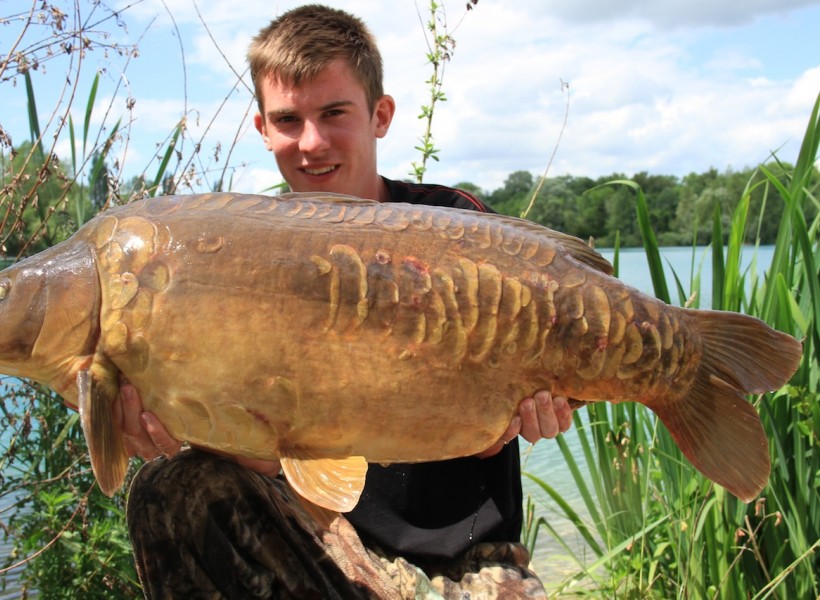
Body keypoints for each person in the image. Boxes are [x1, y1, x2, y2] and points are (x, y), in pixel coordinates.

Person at [118, 5, 573, 598]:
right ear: (262, 129)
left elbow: (487, 430)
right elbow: (270, 459)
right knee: (170, 486)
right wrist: (175, 423)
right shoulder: (239, 258)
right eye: (288, 120)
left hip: (465, 561)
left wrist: (537, 407)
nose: (311, 142)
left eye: (334, 113)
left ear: (379, 115)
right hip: (329, 541)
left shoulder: (456, 228)